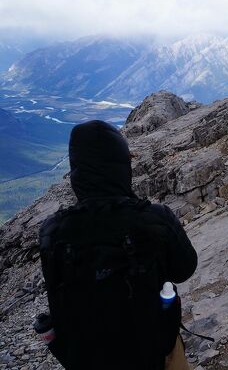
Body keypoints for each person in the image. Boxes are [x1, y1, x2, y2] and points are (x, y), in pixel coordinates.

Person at [38, 120, 198, 370]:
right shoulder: (154, 218)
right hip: (152, 352)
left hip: (86, 357)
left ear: (77, 172)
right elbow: (185, 268)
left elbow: (56, 299)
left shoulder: (52, 231)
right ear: (121, 167)